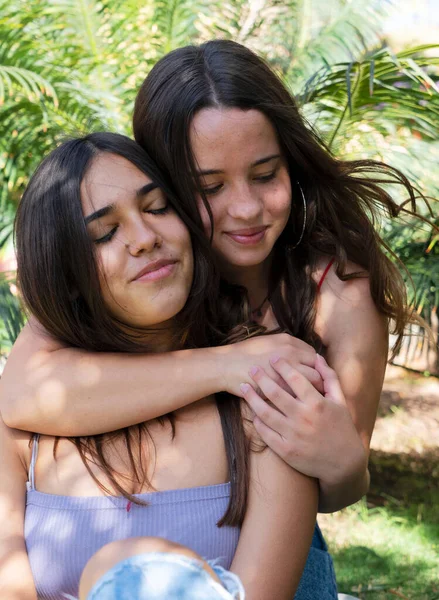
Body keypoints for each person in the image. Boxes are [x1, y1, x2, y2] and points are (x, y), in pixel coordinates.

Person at [1, 38, 425, 594]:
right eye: (209, 188)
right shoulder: (131, 281)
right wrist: (232, 365)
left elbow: (336, 481)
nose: (245, 209)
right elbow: (22, 397)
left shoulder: (334, 291)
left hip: (274, 548)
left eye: (265, 175)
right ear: (169, 182)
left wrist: (349, 466)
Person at [0, 132, 334, 599]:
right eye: (104, 233)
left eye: (157, 208)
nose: (144, 238)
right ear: (67, 276)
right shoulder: (24, 425)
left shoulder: (267, 394)